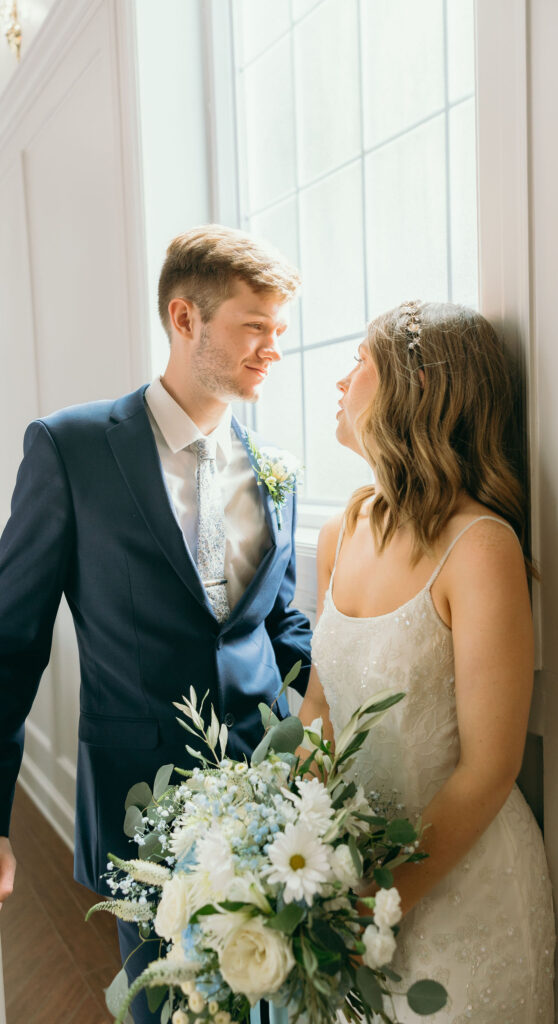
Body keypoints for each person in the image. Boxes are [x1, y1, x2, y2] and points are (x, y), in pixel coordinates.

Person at [0, 225, 312, 1023]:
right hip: (140, 809)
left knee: (267, 1003)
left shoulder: (274, 468)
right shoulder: (69, 449)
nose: (273, 348)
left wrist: (327, 747)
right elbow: (10, 645)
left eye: (280, 330)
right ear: (185, 318)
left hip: (267, 800)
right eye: (255, 327)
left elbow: (280, 627)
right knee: (163, 1012)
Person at [298, 300, 556, 1023]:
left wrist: (375, 906)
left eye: (359, 362)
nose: (339, 380)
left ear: (413, 392)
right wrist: (296, 845)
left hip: (463, 898)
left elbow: (488, 768)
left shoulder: (479, 547)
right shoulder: (340, 532)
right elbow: (319, 707)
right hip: (348, 886)